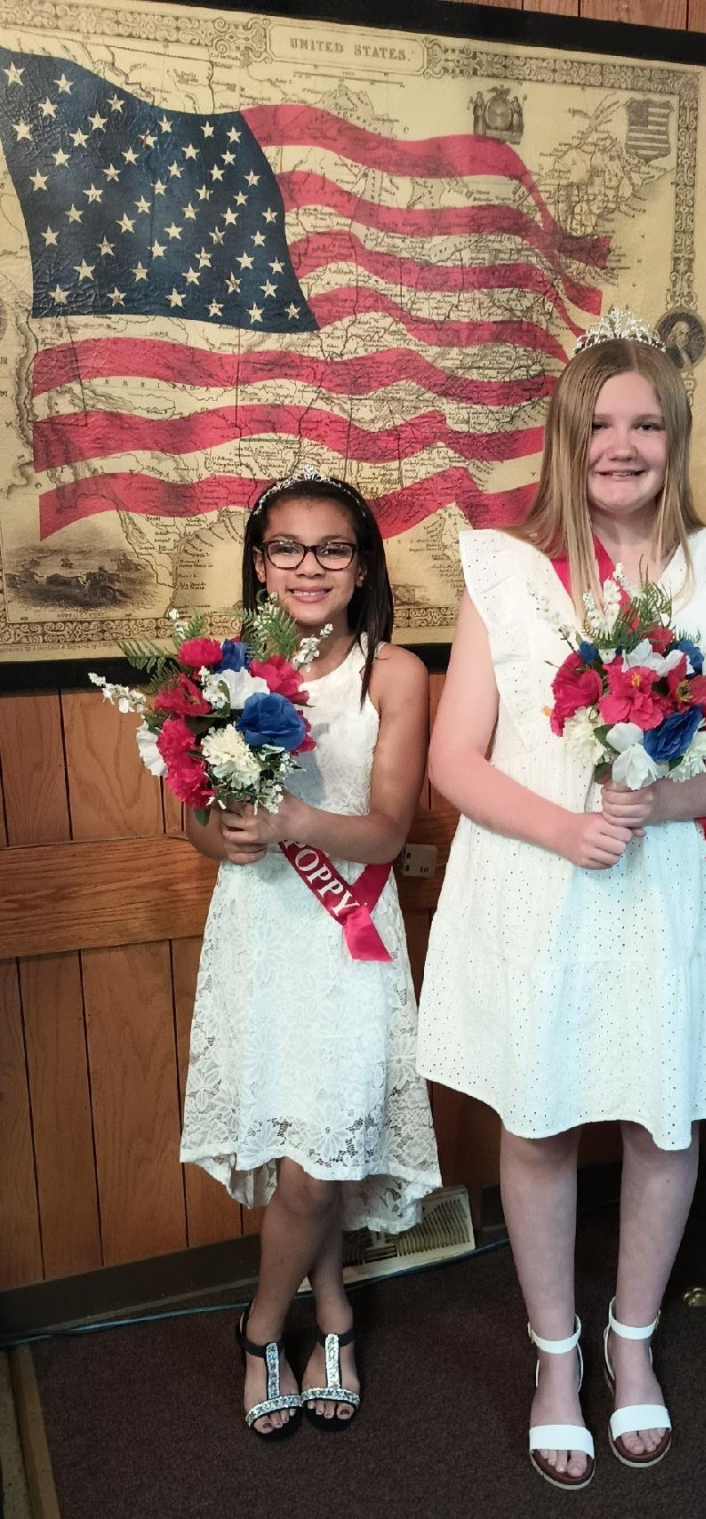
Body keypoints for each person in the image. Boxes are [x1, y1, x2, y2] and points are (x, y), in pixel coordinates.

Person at [416, 312, 706, 1489]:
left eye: (646, 421)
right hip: (542, 884)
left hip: (673, 893)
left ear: (673, 436)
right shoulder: (508, 569)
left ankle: (632, 1347)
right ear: (565, 433)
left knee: (661, 1117)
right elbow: (455, 760)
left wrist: (668, 808)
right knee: (539, 1121)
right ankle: (552, 1354)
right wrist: (565, 825)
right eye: (600, 420)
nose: (622, 442)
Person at [181, 466, 441, 1441]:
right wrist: (232, 836)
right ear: (259, 562)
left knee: (315, 1163)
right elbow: (197, 826)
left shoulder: (395, 674)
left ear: (361, 561)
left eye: (332, 547)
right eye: (286, 547)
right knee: (311, 1151)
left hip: (348, 937)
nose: (309, 565)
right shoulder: (225, 669)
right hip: (258, 935)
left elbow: (381, 831)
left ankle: (256, 1331)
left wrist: (290, 814)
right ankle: (330, 1306)